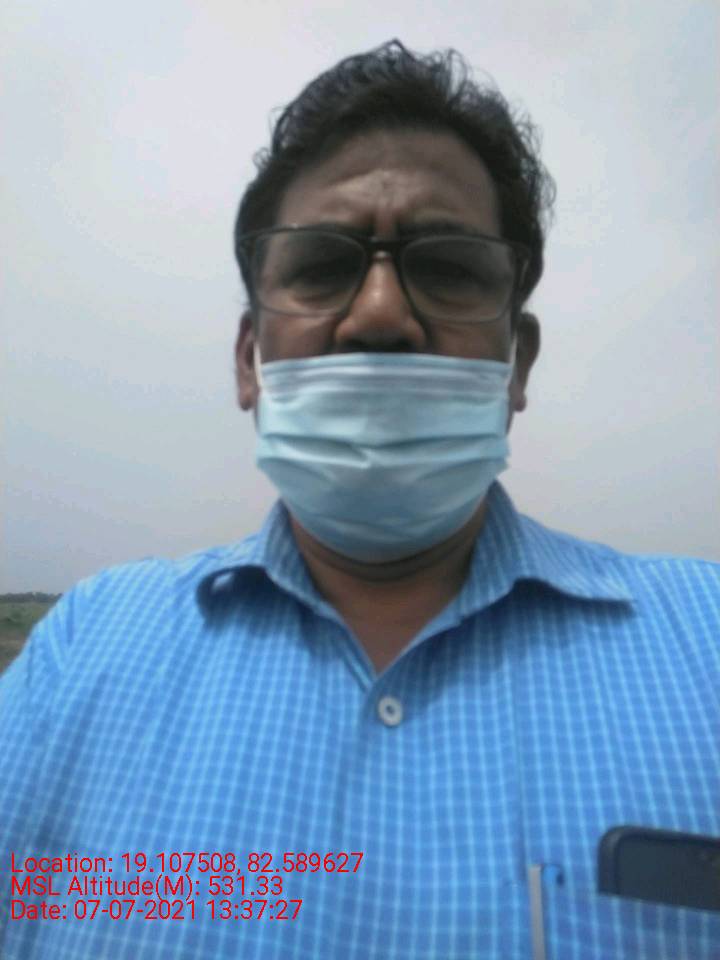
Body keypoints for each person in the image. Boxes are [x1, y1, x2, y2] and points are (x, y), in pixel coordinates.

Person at [1, 39, 718, 960]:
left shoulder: (707, 644)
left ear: (518, 363)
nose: (381, 313)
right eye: (320, 265)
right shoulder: (82, 653)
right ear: (249, 360)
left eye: (449, 268)